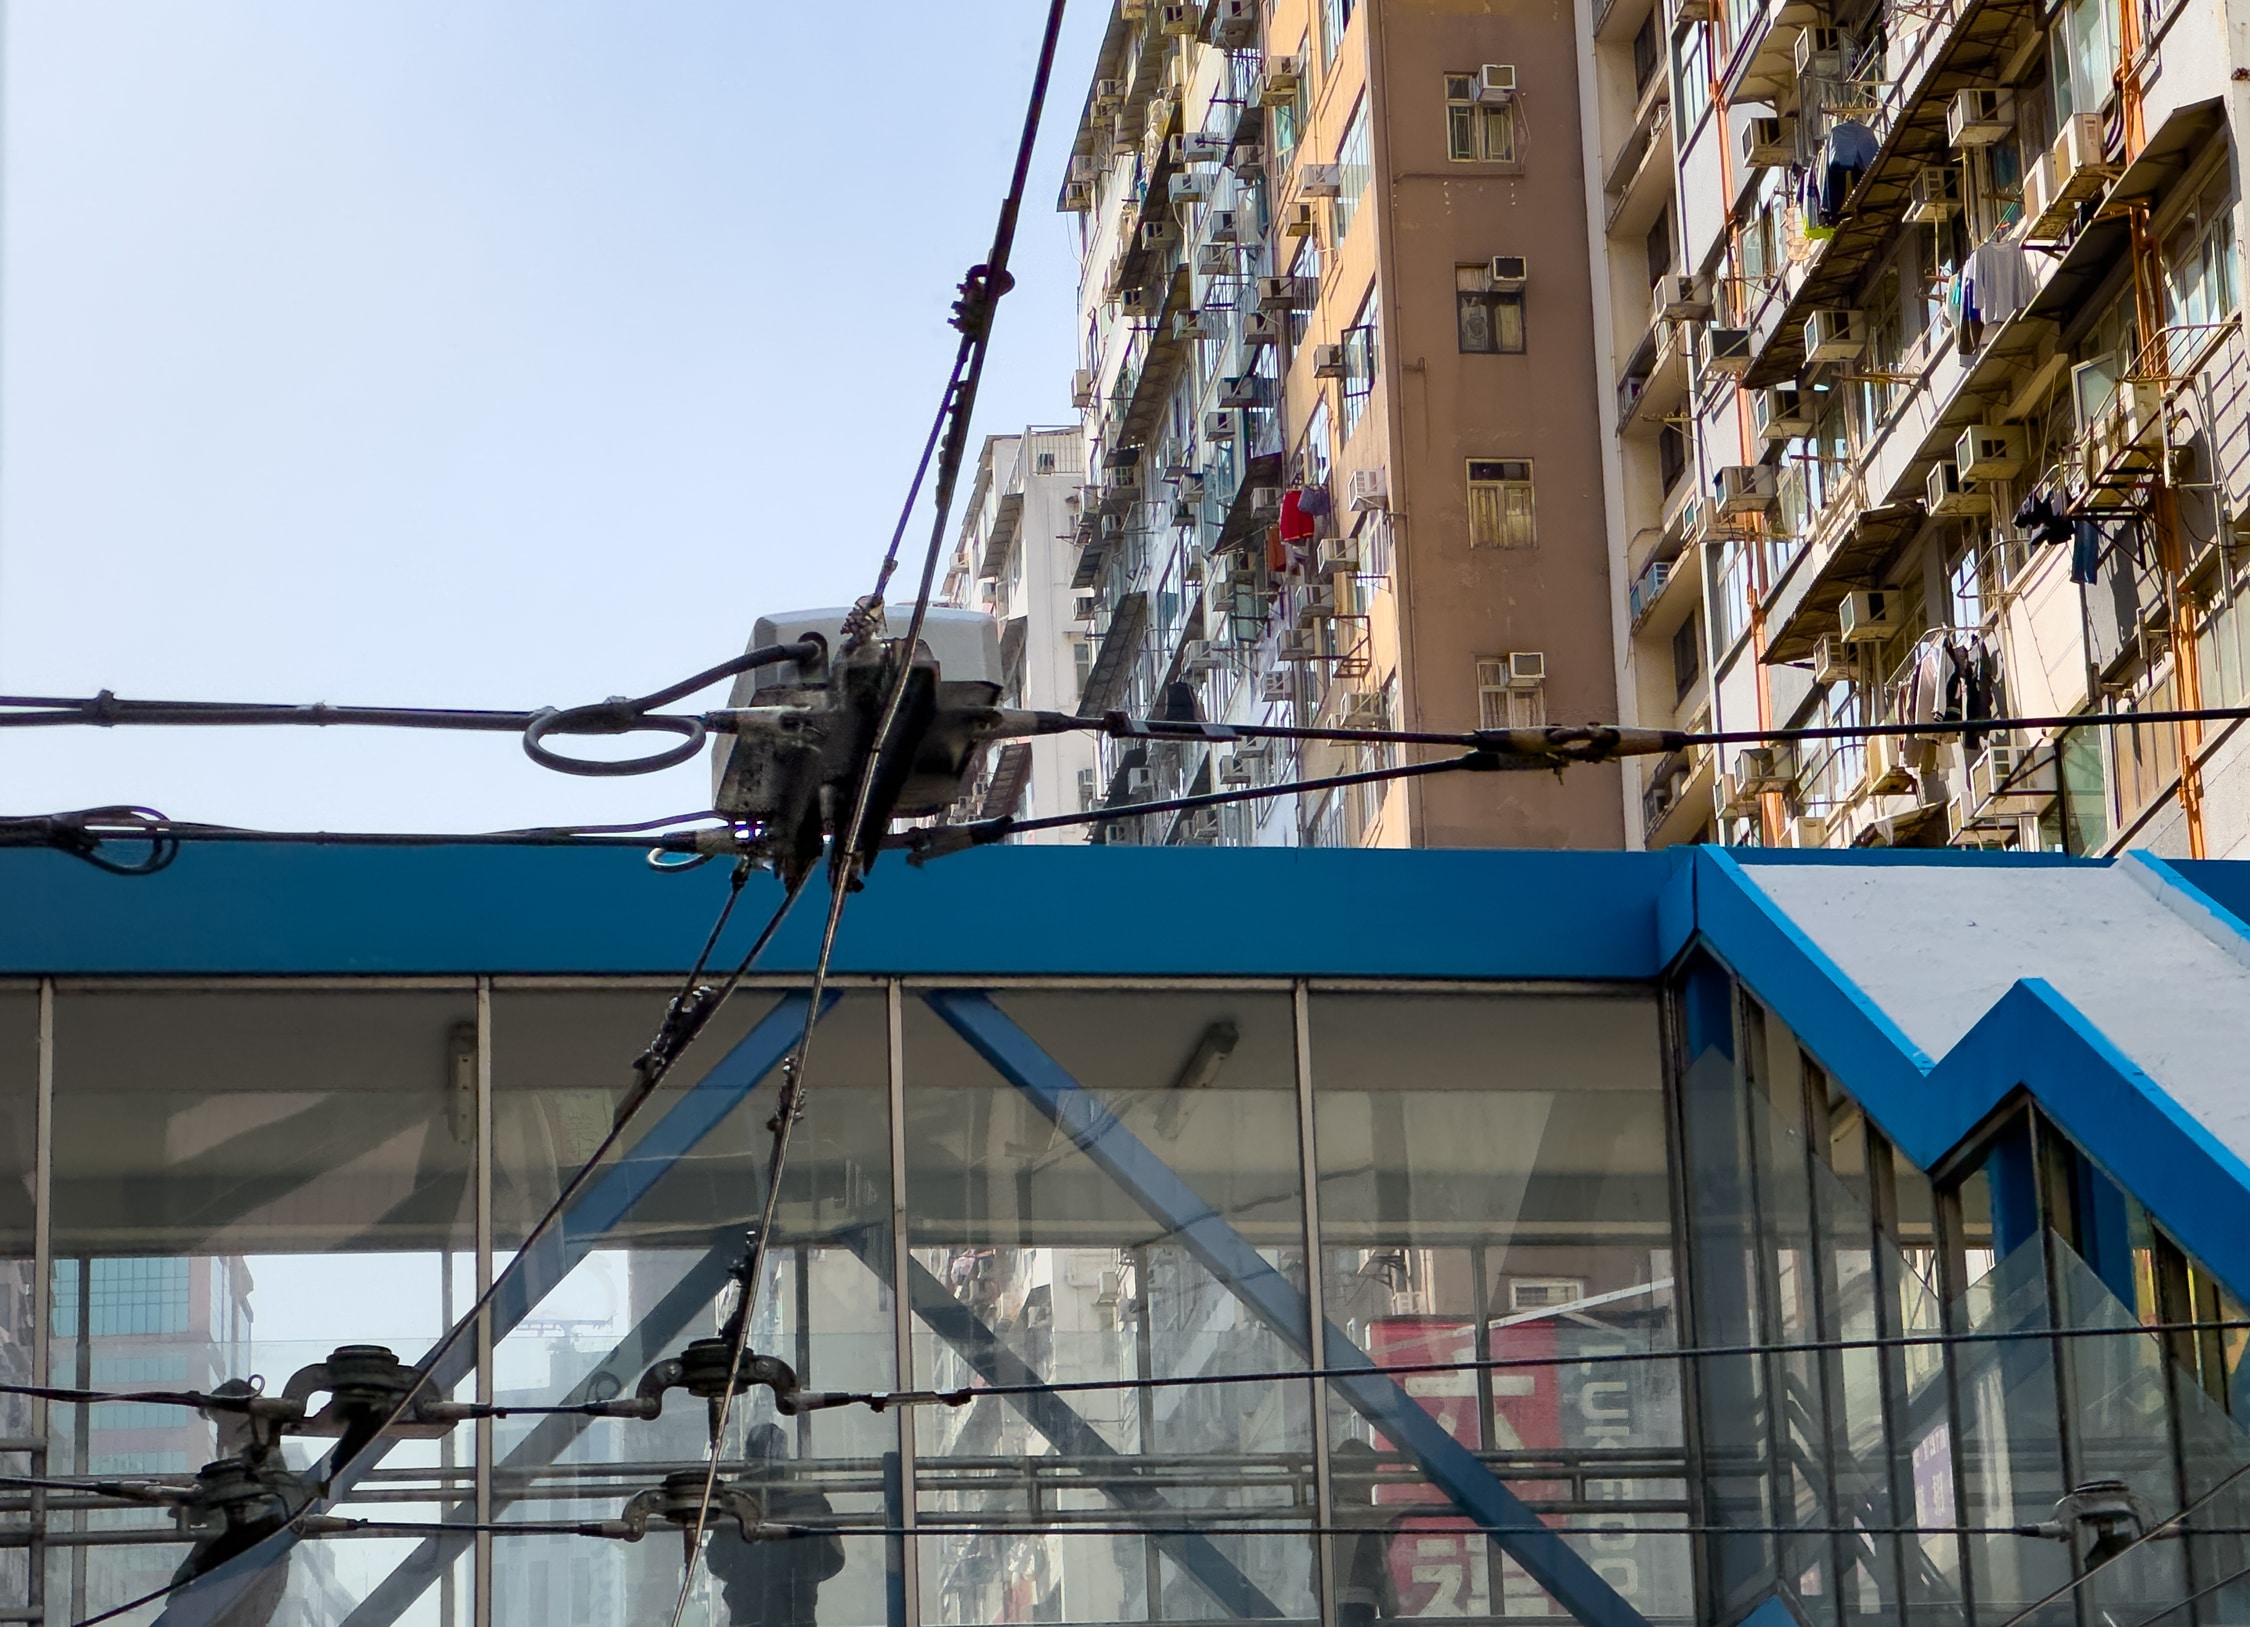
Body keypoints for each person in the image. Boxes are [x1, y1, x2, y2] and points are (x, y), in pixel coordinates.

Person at [704, 1423, 846, 1627]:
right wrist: (800, 1577)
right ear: (786, 1457)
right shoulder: (809, 1499)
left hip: (750, 1613)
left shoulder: (735, 1501)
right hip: (797, 1613)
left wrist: (746, 1576)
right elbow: (833, 1559)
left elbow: (717, 1561)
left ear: (748, 1457)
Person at [1331, 1437, 1400, 1627]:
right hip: (1361, 1601)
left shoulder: (1325, 1514)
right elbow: (1378, 1564)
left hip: (1330, 1599)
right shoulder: (1369, 1517)